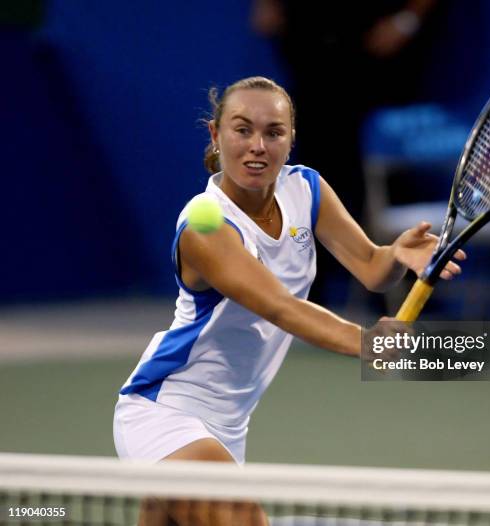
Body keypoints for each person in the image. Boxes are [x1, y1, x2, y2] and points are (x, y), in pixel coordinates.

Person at [113, 76, 465, 526]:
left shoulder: (306, 190)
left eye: (273, 132)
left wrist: (396, 254)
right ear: (215, 136)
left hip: (227, 430)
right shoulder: (207, 227)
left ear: (291, 139)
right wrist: (366, 343)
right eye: (242, 130)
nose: (257, 145)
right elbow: (279, 306)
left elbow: (372, 268)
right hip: (165, 414)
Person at [251, 0, 444, 307]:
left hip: (377, 55)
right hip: (312, 51)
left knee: (387, 181)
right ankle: (306, 291)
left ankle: (403, 291)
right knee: (310, 179)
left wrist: (406, 19)